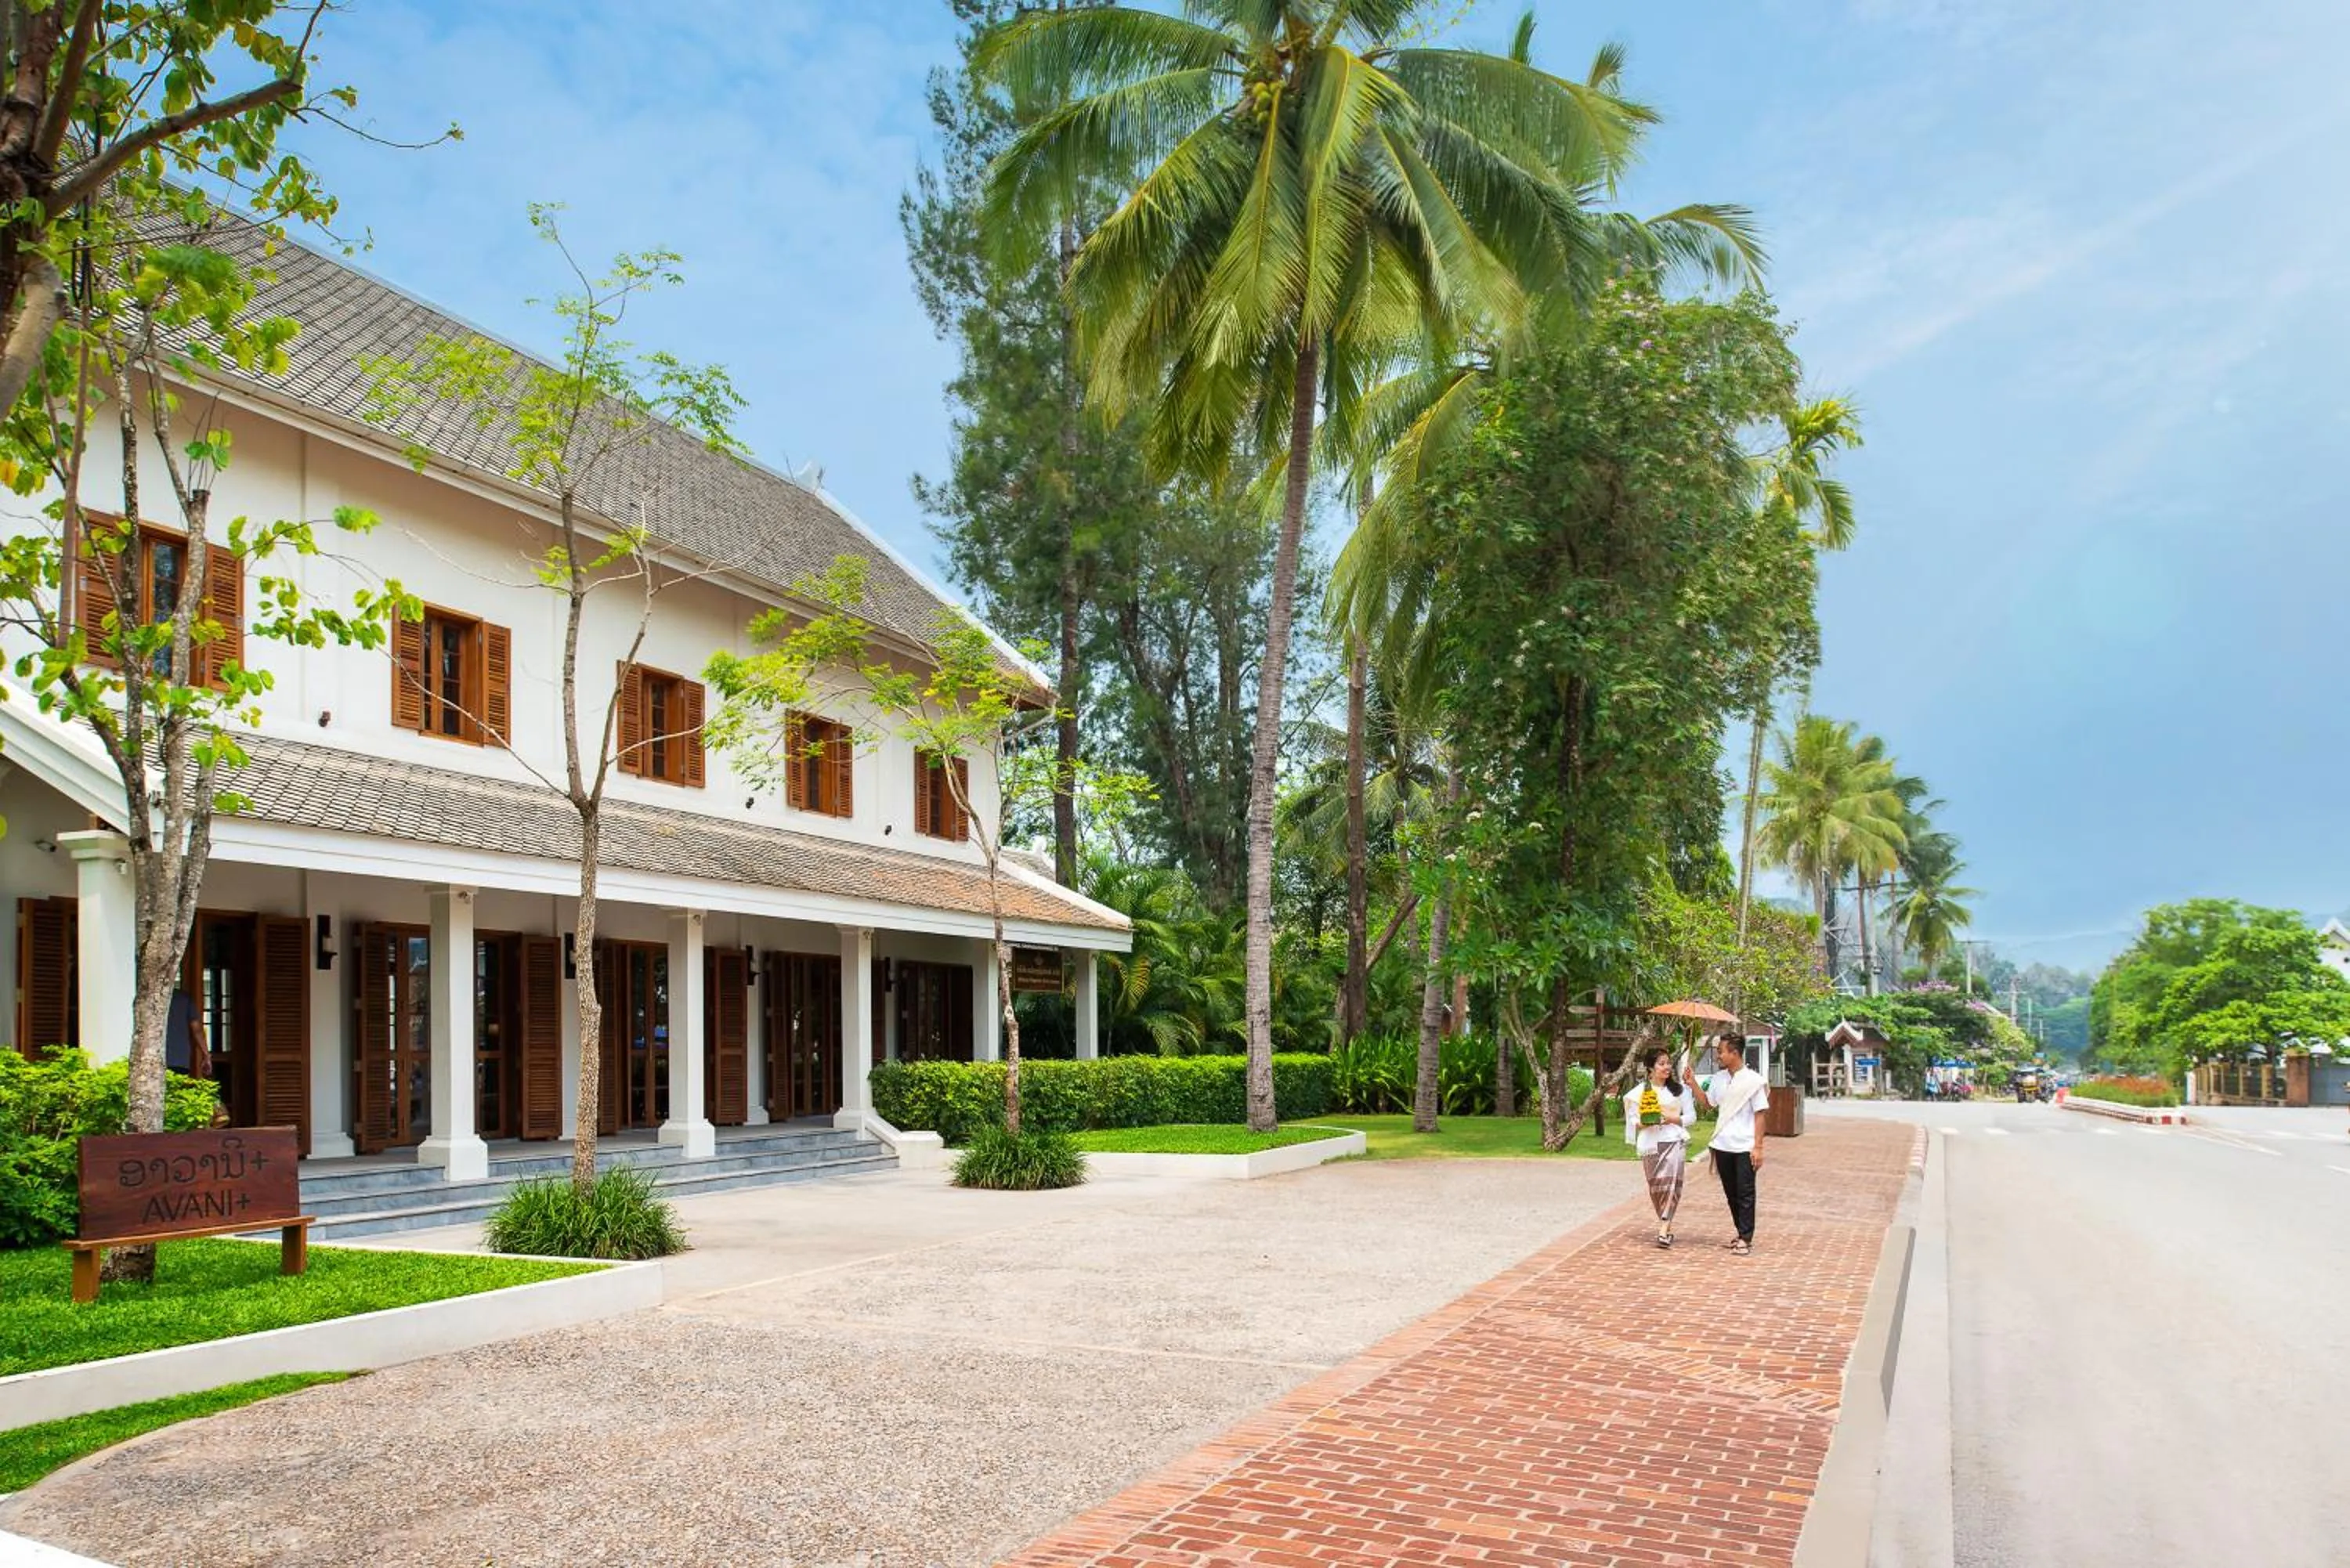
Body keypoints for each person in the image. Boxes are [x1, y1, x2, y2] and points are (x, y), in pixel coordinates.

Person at [1694, 1033, 1768, 1255]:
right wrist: (1692, 1084)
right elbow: (1707, 1104)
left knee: (1745, 1192)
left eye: (1721, 1051)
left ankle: (1746, 1237)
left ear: (1734, 1053)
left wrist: (1758, 1146)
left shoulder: (1753, 1081)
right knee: (1730, 1192)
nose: (1718, 1055)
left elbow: (1760, 1114)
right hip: (1723, 1144)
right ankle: (1740, 1231)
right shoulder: (1718, 1079)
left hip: (1744, 1145)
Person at [1623, 1046, 1697, 1248]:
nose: (1667, 1067)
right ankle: (1666, 1222)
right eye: (1661, 1064)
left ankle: (1664, 1227)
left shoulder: (1679, 1091)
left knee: (1672, 1185)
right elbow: (1634, 1121)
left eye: (1668, 1063)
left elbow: (1691, 1117)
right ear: (1650, 1068)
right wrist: (1650, 1121)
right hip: (1651, 1145)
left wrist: (1674, 1119)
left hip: (1674, 1141)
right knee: (1657, 1187)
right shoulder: (1639, 1093)